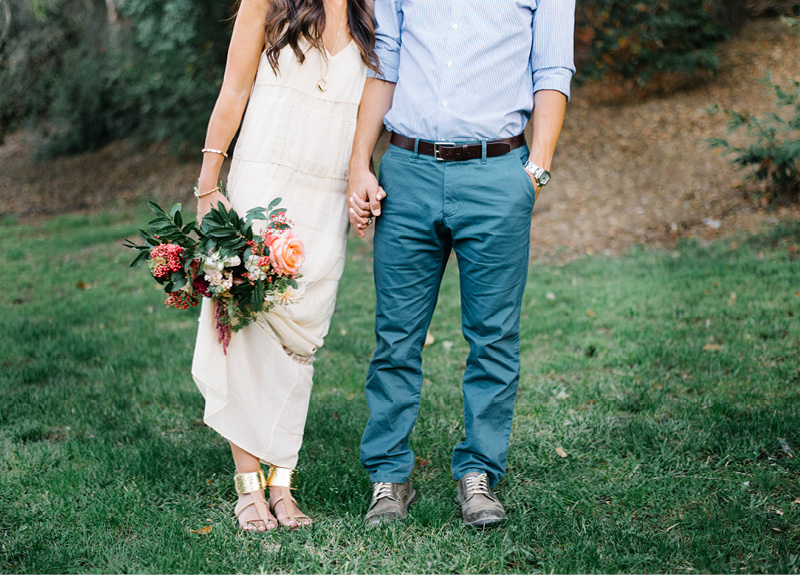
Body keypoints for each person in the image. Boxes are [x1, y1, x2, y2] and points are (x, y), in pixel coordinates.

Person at [347, 0, 575, 527]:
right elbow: (387, 60)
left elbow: (552, 70)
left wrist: (535, 171)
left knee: (493, 337)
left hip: (498, 174)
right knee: (396, 335)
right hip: (407, 170)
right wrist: (360, 161)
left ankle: (479, 473)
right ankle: (389, 474)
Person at [191, 0, 376, 531]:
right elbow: (234, 91)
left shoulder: (374, 16)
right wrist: (208, 186)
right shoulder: (266, 3)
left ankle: (283, 483)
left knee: (302, 338)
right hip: (263, 186)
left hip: (326, 198)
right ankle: (249, 487)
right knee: (245, 327)